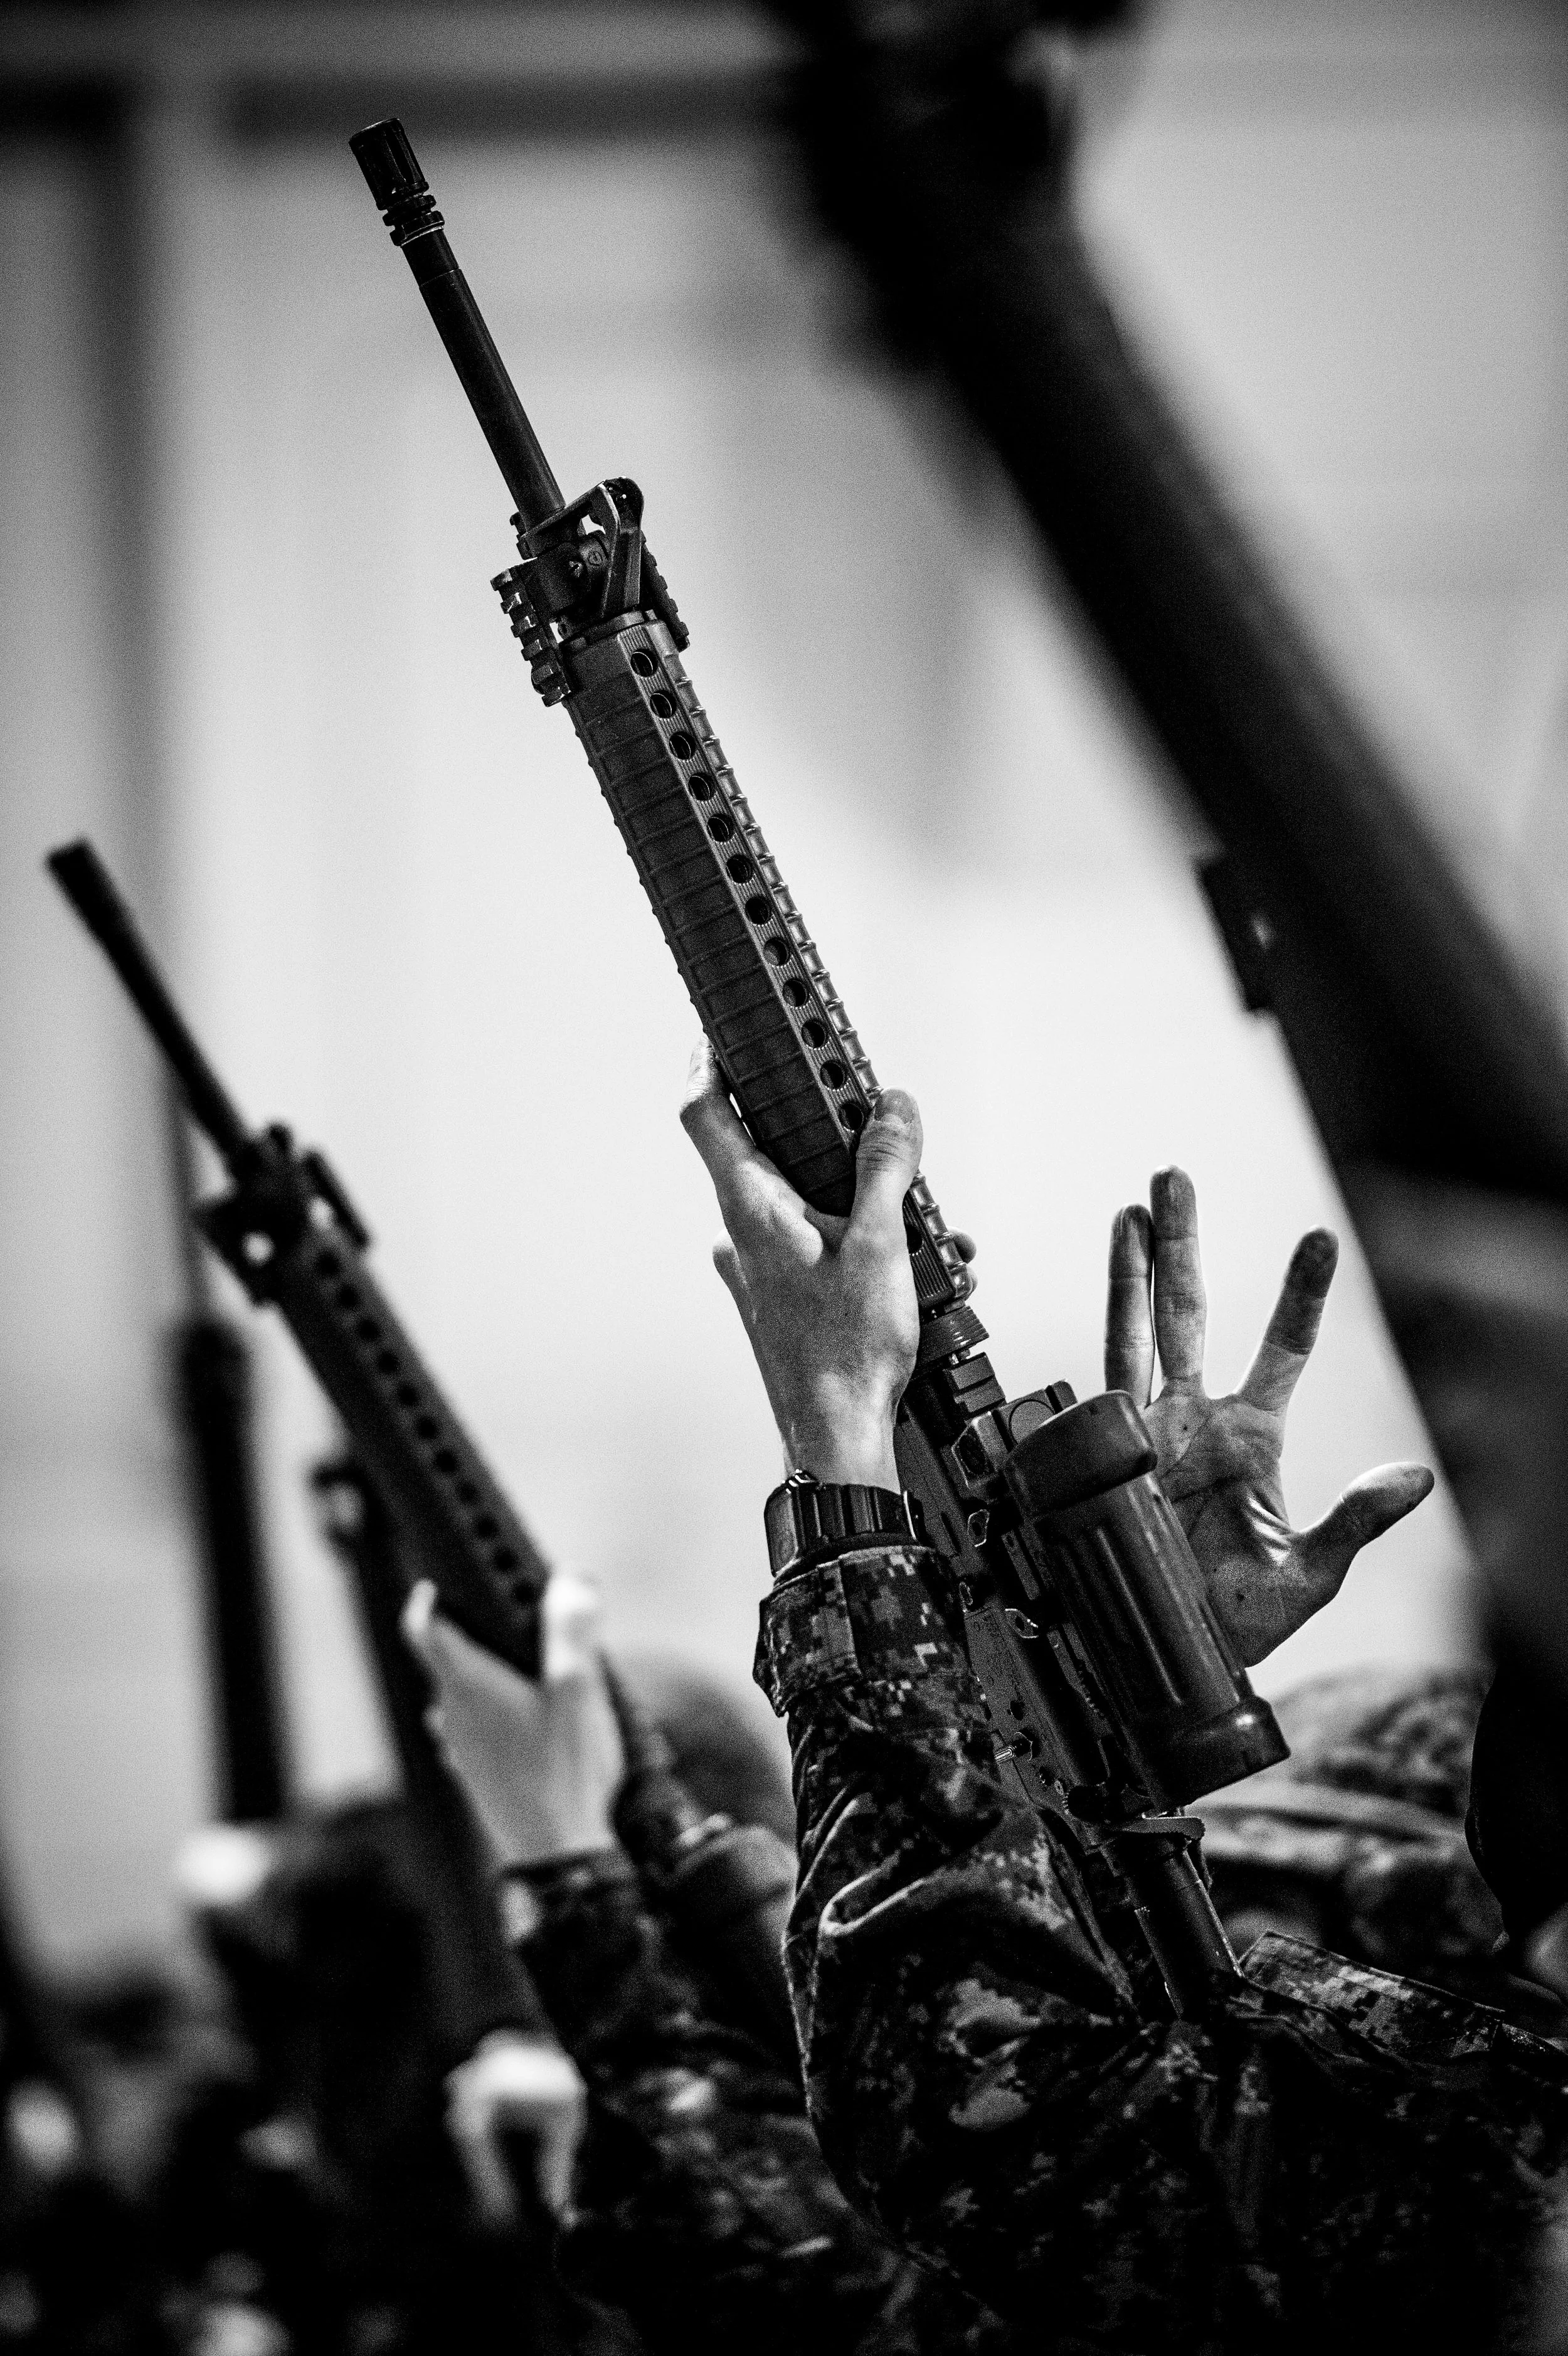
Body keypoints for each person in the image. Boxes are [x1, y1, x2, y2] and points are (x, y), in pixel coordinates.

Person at [664, 1042, 1568, 2353]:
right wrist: (1119, 1687)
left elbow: (988, 2111)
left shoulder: (1511, 2199)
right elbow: (1167, 2103)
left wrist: (843, 1457)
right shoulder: (1498, 2107)